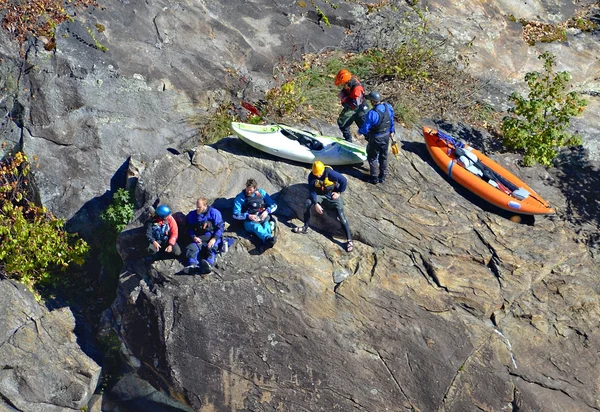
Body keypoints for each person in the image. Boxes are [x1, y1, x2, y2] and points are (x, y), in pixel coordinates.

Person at [292, 161, 354, 253]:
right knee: (308, 203)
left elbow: (343, 181)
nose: (317, 176)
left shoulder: (330, 173)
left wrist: (338, 192)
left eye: (319, 174)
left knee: (341, 216)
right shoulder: (312, 176)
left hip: (331, 194)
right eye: (315, 174)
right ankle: (305, 228)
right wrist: (316, 203)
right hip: (319, 195)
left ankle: (349, 240)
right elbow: (312, 191)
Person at [358, 91, 396, 185]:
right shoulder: (388, 107)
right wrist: (392, 131)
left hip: (376, 138)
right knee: (383, 156)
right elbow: (391, 120)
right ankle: (382, 176)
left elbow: (365, 128)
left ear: (372, 102)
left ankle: (374, 177)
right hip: (386, 136)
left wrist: (360, 132)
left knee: (372, 157)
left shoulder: (372, 113)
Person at [233, 179, 278, 251]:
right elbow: (235, 214)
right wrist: (248, 216)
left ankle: (267, 241)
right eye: (247, 189)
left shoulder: (261, 193)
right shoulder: (240, 197)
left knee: (266, 224)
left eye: (251, 190)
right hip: (249, 221)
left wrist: (267, 211)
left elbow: (274, 205)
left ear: (255, 188)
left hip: (262, 217)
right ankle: (267, 239)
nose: (248, 192)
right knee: (256, 227)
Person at [184, 197, 225, 274]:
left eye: (199, 207)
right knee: (192, 247)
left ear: (205, 206)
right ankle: (193, 265)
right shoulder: (193, 214)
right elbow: (189, 228)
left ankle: (209, 264)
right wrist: (194, 237)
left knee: (212, 247)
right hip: (200, 238)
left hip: (212, 237)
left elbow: (221, 228)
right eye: (196, 206)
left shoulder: (214, 213)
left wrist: (214, 239)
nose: (197, 208)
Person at [334, 69, 368, 143]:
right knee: (342, 122)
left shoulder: (357, 88)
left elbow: (355, 103)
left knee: (365, 130)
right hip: (352, 108)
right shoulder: (349, 82)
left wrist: (344, 99)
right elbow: (345, 90)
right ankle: (348, 141)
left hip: (359, 109)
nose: (342, 85)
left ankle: (375, 148)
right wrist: (342, 94)